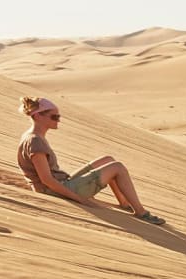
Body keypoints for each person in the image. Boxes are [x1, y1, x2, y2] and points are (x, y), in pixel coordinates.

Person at [15, 96, 165, 225]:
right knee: (117, 167)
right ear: (37, 116)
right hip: (53, 191)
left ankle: (125, 203)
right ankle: (140, 212)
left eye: (58, 117)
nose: (58, 120)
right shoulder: (35, 142)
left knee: (108, 160)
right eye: (54, 117)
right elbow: (47, 180)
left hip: (60, 184)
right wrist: (80, 199)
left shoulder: (32, 136)